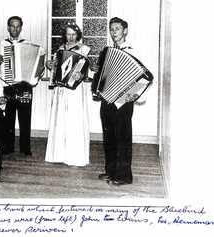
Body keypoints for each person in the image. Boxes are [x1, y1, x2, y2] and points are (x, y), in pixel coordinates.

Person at [92, 17, 153, 185]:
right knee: (109, 137)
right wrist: (97, 73)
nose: (114, 32)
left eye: (117, 29)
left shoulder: (134, 51)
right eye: (111, 29)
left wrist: (133, 96)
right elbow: (102, 76)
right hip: (107, 99)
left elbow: (145, 77)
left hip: (123, 102)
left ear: (125, 31)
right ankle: (111, 171)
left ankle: (124, 176)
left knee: (122, 139)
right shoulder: (108, 52)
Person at [45, 22, 91, 167]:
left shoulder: (84, 49)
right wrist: (50, 65)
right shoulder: (60, 49)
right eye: (68, 34)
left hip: (75, 90)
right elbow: (56, 70)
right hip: (61, 89)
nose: (70, 37)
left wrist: (81, 75)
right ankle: (57, 155)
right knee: (60, 119)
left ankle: (75, 157)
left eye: (73, 34)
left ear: (78, 35)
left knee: (74, 120)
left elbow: (88, 70)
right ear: (64, 35)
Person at [0, 16, 34, 157]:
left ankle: (25, 147)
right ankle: (8, 146)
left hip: (24, 85)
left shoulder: (28, 44)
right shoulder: (2, 44)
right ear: (8, 27)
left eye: (18, 26)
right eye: (12, 26)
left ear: (21, 28)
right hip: (8, 85)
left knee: (25, 117)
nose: (15, 29)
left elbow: (33, 63)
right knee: (8, 118)